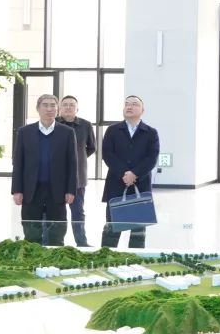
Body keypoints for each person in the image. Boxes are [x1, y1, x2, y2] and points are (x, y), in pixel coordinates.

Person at [11, 94, 78, 246]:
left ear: (57, 109)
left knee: (57, 233)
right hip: (31, 190)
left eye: (53, 105)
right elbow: (18, 163)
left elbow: (72, 164)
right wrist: (17, 190)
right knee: (31, 233)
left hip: (57, 190)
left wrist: (71, 190)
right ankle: (32, 258)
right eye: (45, 105)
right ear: (38, 108)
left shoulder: (67, 132)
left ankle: (56, 257)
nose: (49, 109)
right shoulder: (24, 132)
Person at [100, 95, 161, 249]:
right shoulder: (113, 130)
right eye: (127, 104)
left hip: (140, 185)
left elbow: (152, 158)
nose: (129, 106)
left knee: (138, 232)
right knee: (112, 228)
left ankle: (135, 258)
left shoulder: (151, 132)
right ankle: (107, 257)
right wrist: (124, 173)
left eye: (134, 104)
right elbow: (107, 154)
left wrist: (134, 174)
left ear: (142, 110)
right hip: (116, 183)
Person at [57, 95, 96, 247]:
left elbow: (91, 147)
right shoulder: (54, 123)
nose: (68, 107)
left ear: (77, 108)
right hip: (57, 176)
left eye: (72, 105)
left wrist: (77, 159)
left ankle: (82, 243)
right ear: (60, 108)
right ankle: (54, 243)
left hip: (78, 176)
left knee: (78, 211)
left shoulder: (86, 125)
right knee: (56, 212)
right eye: (65, 104)